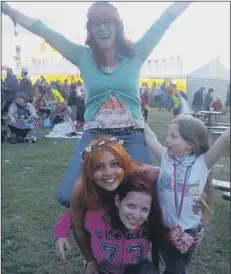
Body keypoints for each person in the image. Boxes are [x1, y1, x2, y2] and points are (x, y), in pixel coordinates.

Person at [1, 1, 192, 207]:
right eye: (95, 24)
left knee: (144, 194)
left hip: (131, 135)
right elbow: (43, 29)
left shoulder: (135, 53)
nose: (101, 28)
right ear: (90, 30)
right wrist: (10, 11)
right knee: (68, 195)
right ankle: (100, 222)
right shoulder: (83, 55)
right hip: (95, 135)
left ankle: (119, 225)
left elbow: (164, 20)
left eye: (107, 22)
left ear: (117, 26)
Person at [53, 136, 204, 273]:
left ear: (124, 163)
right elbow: (76, 211)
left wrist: (195, 217)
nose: (108, 173)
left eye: (115, 164)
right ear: (89, 171)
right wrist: (62, 231)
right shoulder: (83, 187)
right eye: (98, 167)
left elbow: (185, 179)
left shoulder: (141, 175)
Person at [144, 115, 230, 274]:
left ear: (190, 144)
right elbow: (151, 139)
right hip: (163, 227)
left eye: (173, 136)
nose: (167, 139)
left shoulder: (203, 163)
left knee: (175, 268)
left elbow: (224, 139)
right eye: (168, 134)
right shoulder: (165, 157)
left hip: (189, 232)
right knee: (176, 269)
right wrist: (138, 120)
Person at [56, 172, 163, 274]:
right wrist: (61, 233)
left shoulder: (150, 220)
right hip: (102, 270)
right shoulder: (98, 215)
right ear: (117, 200)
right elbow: (75, 212)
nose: (136, 214)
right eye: (130, 205)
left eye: (144, 209)